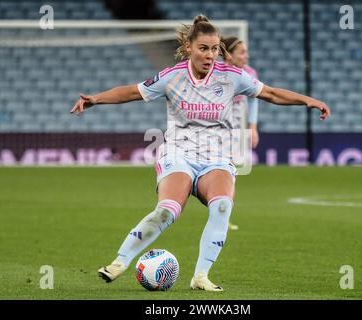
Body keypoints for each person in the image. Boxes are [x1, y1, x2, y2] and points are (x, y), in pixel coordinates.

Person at [70, 15, 330, 292]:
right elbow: (132, 92)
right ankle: (119, 262)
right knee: (167, 211)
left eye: (215, 48)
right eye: (204, 48)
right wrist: (95, 99)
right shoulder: (173, 77)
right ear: (189, 46)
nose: (210, 55)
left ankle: (200, 277)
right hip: (178, 154)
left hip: (216, 158)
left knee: (222, 207)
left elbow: (272, 94)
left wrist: (308, 100)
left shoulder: (232, 77)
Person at [222, 36, 260, 231]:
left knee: (229, 170)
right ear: (228, 55)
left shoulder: (250, 73)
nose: (246, 56)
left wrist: (252, 127)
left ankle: (223, 215)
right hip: (210, 126)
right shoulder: (215, 73)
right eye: (242, 52)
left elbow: (254, 100)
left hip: (234, 124)